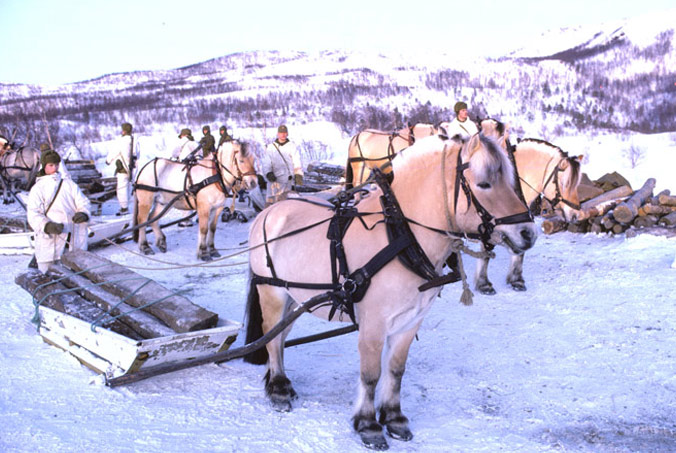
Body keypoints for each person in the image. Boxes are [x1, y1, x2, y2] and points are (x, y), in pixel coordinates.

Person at [27, 150, 90, 272]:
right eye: (51, 165)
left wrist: (83, 213)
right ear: (44, 166)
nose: (55, 168)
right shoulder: (38, 188)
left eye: (56, 164)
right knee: (48, 273)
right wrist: (46, 225)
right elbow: (33, 213)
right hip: (50, 238)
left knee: (76, 273)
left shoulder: (69, 184)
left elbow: (83, 202)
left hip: (72, 236)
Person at [262, 124, 303, 206]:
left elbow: (296, 161)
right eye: (281, 133)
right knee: (271, 202)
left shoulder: (292, 146)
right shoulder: (271, 147)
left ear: (287, 134)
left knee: (286, 203)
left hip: (288, 180)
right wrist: (268, 173)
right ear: (278, 134)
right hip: (274, 180)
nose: (283, 134)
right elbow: (266, 162)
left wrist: (298, 174)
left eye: (285, 132)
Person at [106, 122, 139, 216]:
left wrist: (108, 161)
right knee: (128, 187)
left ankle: (124, 208)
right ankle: (130, 205)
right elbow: (136, 154)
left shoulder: (122, 140)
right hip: (131, 168)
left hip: (122, 168)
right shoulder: (134, 140)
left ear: (124, 130)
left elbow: (114, 152)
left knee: (121, 188)